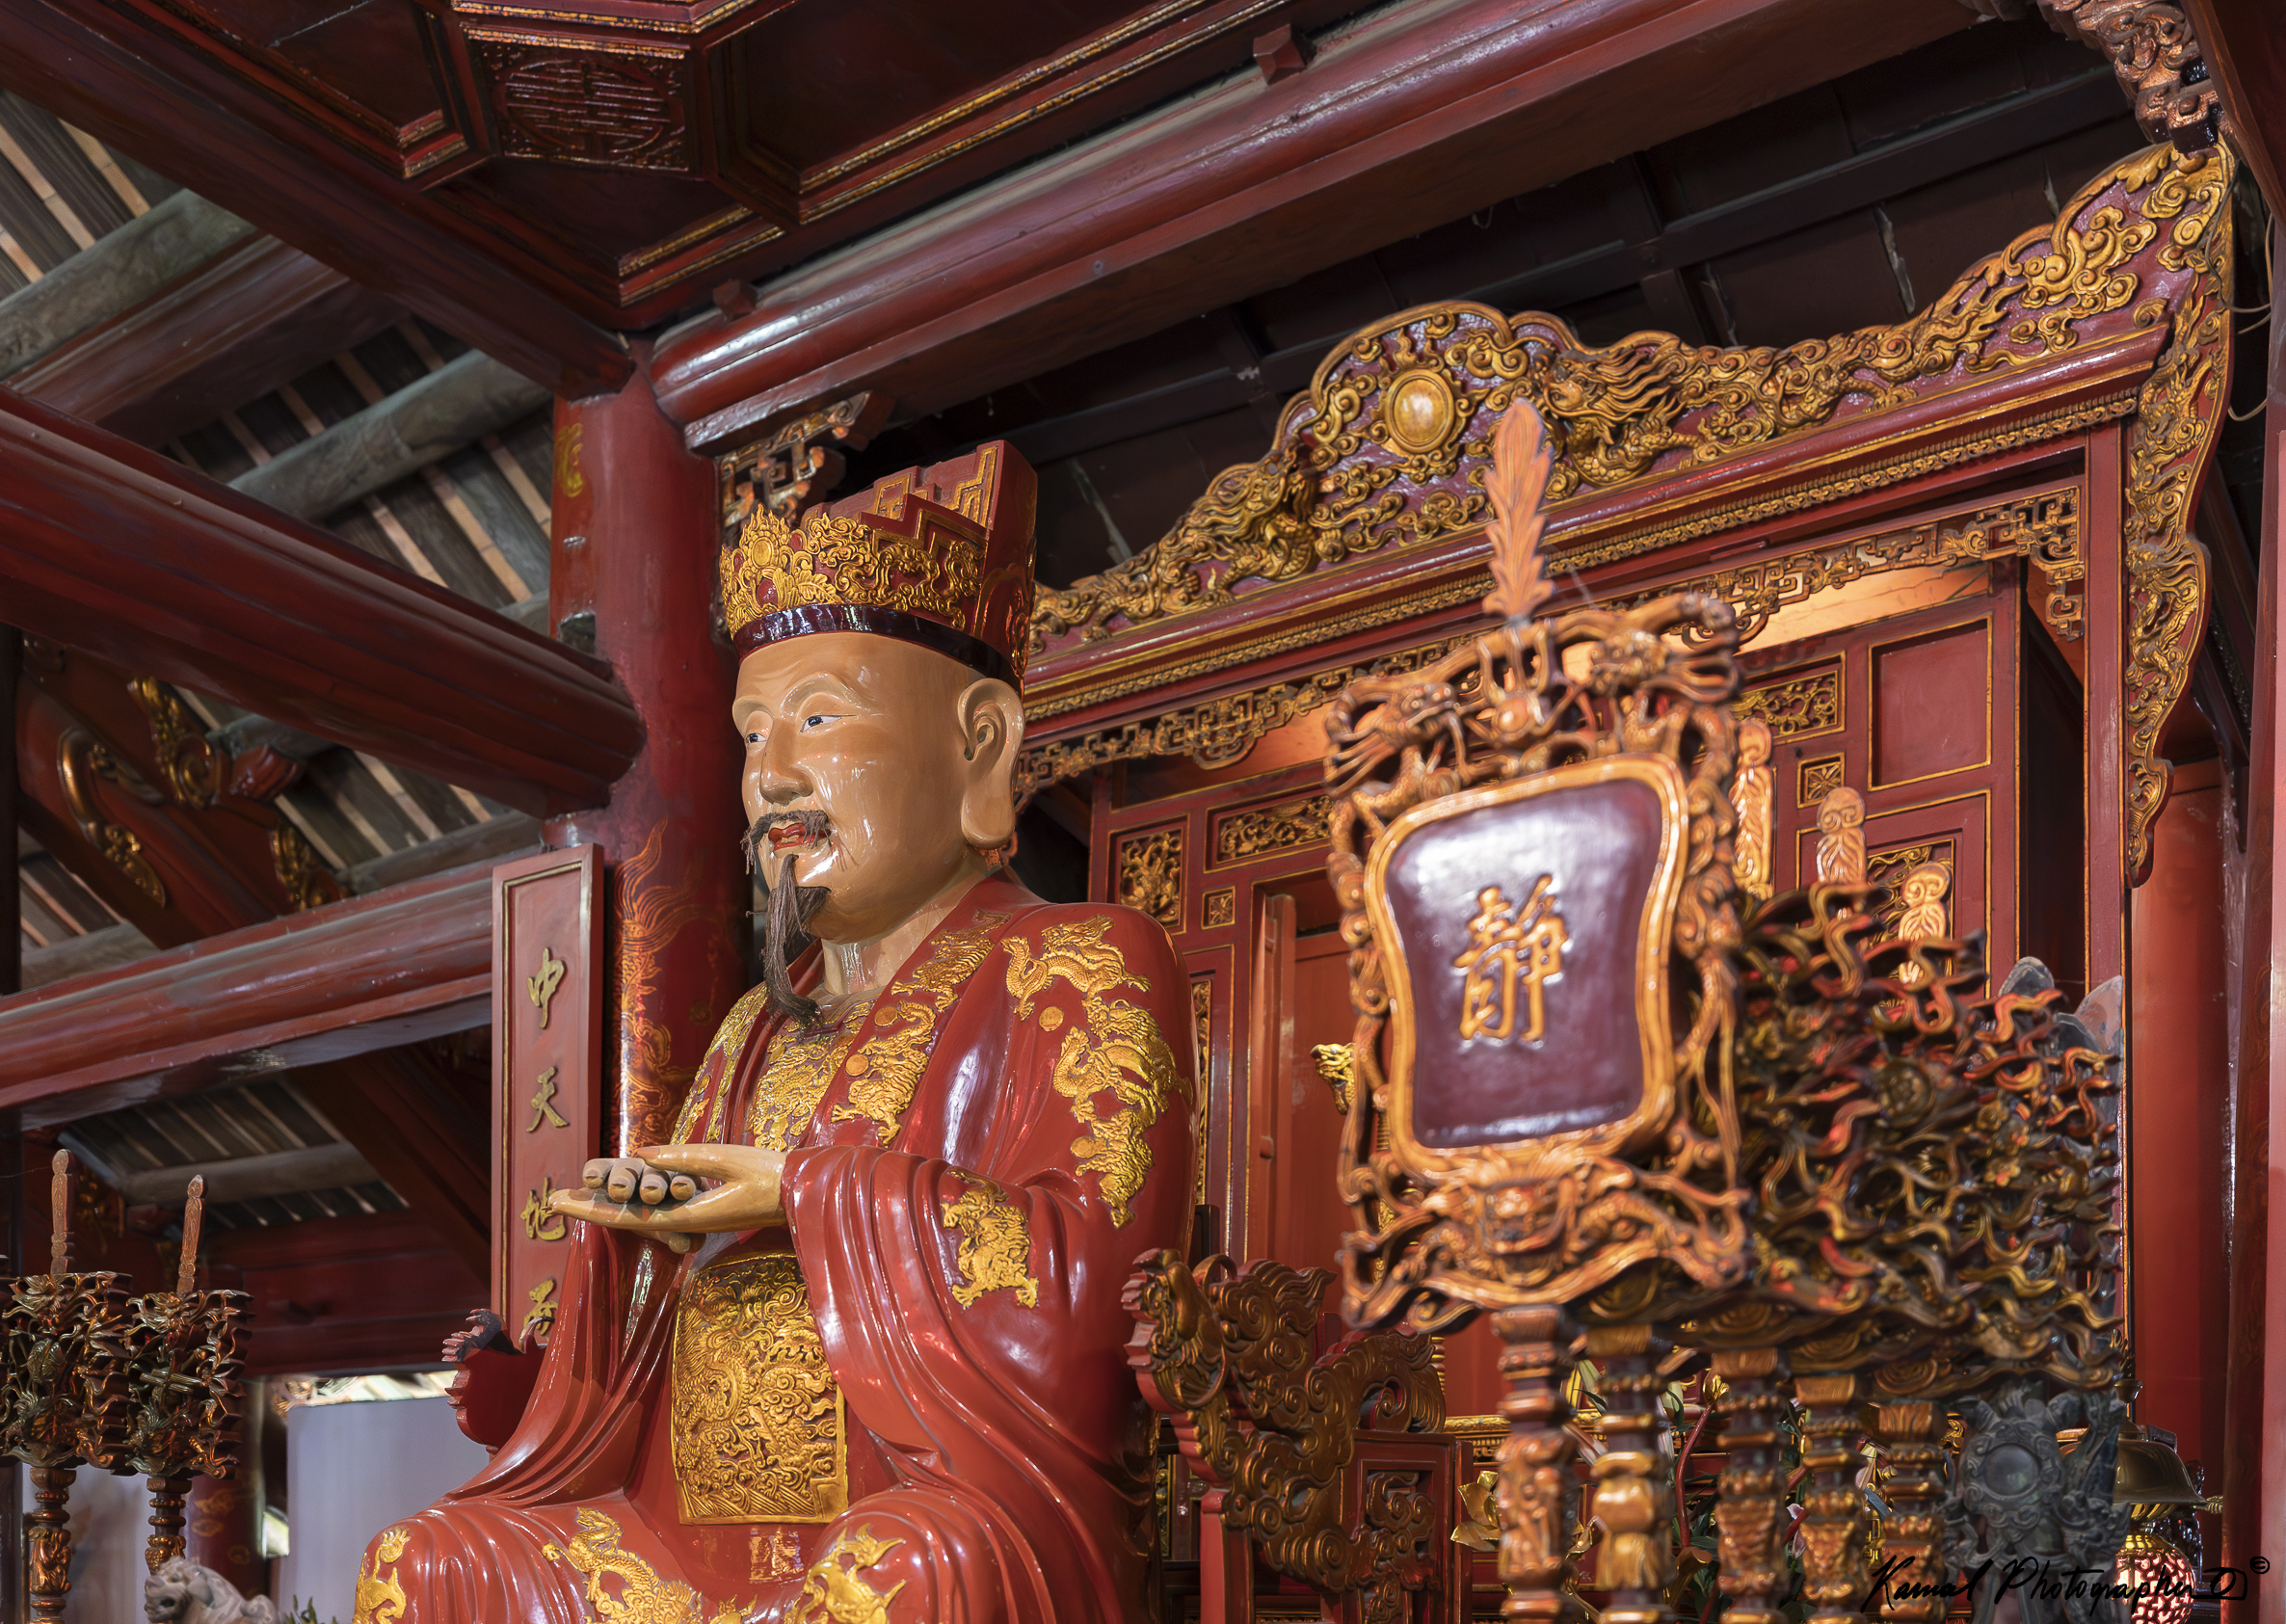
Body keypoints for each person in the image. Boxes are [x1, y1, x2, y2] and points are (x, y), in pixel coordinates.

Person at [354, 444, 1194, 1624]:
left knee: (898, 1576)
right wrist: (612, 1275)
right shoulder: (757, 1020)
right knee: (428, 1558)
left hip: (940, 1505)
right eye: (753, 735)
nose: (774, 777)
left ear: (980, 745)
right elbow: (669, 1323)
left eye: (816, 716)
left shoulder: (1082, 962)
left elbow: (1085, 1293)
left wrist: (800, 1189)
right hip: (676, 1532)